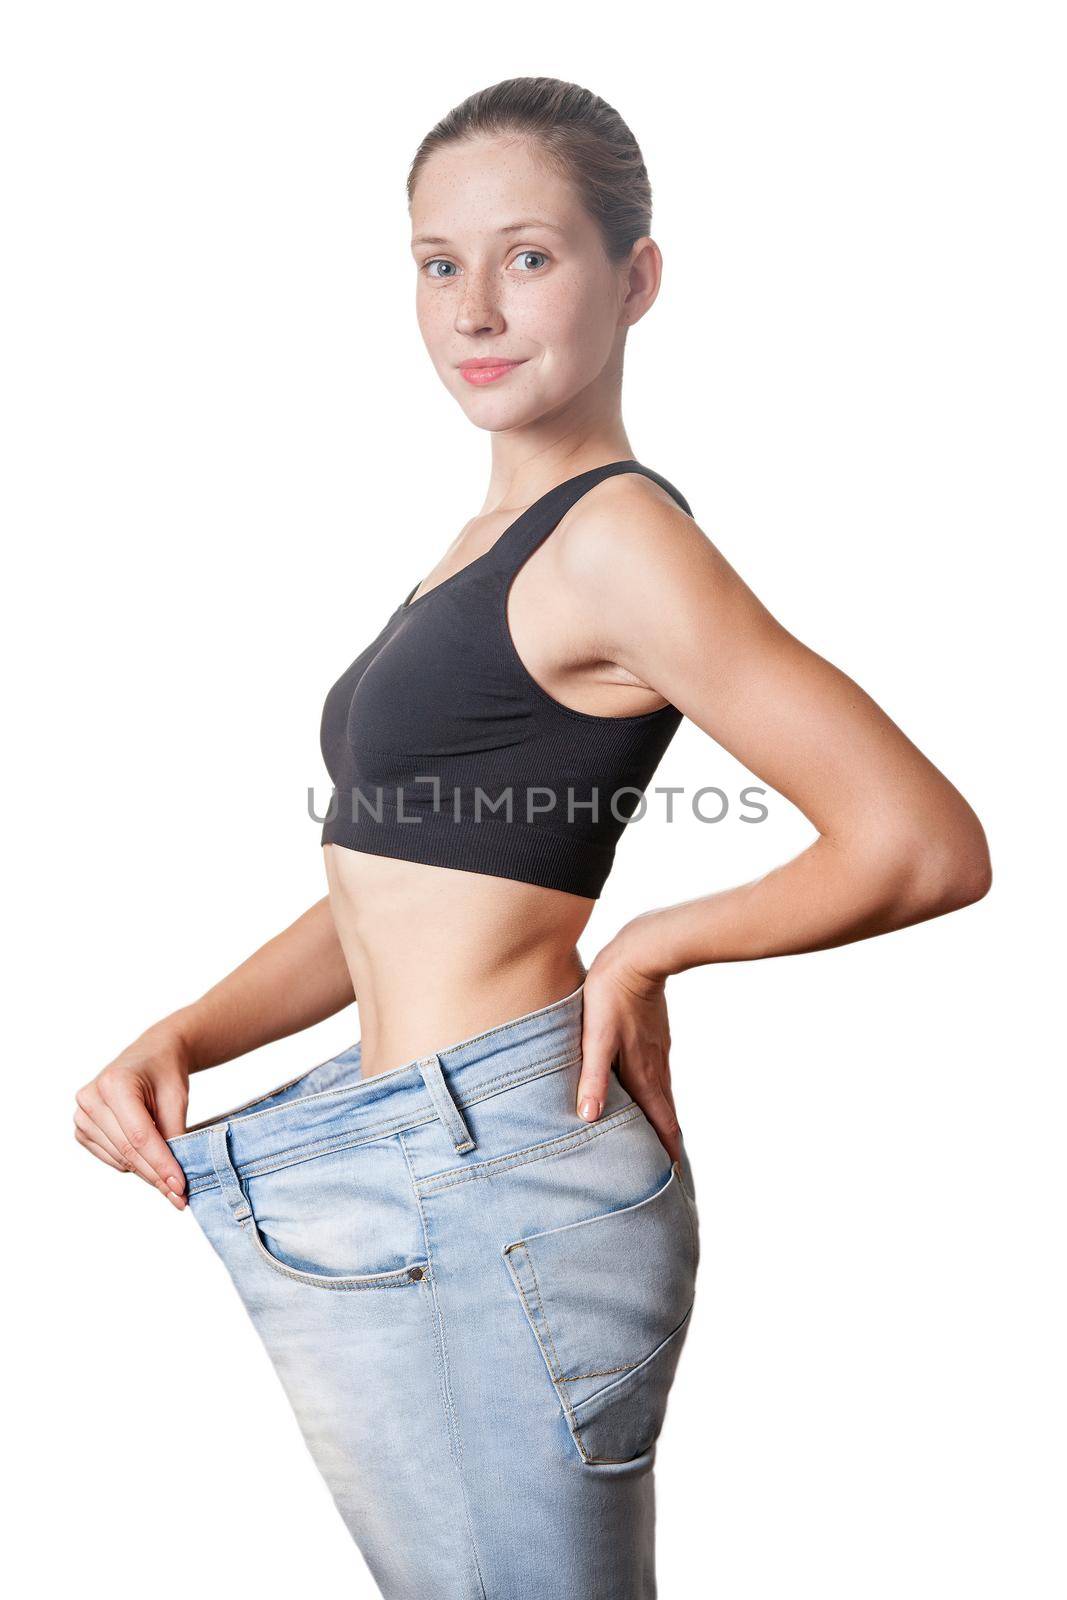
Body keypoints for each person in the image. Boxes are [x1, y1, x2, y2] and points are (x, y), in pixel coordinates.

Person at [73, 76, 991, 1600]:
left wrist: (650, 947)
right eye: (440, 264)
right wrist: (191, 1028)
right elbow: (413, 881)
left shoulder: (619, 543)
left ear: (634, 278)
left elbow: (922, 841)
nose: (477, 309)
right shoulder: (489, 546)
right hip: (424, 1166)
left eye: (530, 256)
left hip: (489, 1186)